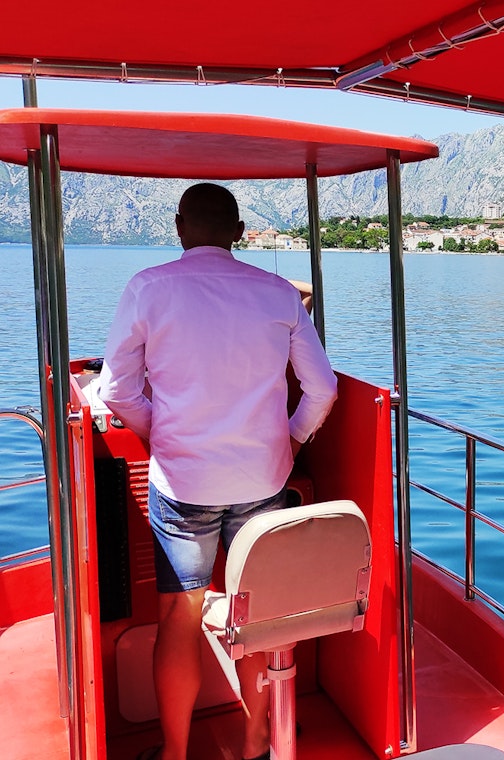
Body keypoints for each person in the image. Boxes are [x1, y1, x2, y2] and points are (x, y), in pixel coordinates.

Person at [98, 183, 338, 760]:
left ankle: (175, 752)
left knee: (179, 617)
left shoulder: (147, 288)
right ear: (238, 231)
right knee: (259, 612)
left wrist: (160, 433)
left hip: (183, 486)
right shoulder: (279, 293)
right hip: (263, 482)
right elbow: (323, 387)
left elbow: (115, 390)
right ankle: (258, 740)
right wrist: (293, 440)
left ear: (180, 227)